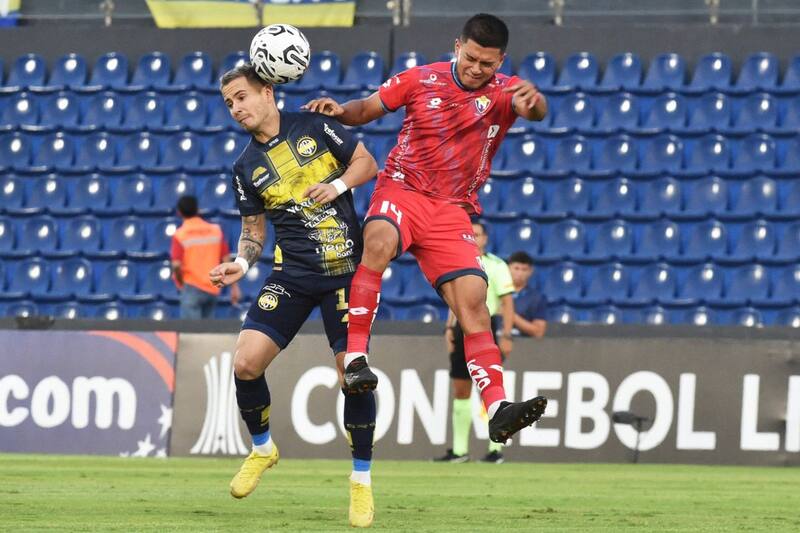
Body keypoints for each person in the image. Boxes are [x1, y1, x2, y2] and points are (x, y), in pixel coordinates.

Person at [304, 12, 549, 444]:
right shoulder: (420, 79)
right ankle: (356, 358)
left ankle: (497, 408)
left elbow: (537, 111)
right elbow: (367, 108)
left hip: (452, 210)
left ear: (501, 61)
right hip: (402, 190)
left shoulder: (506, 91)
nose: (477, 69)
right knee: (376, 243)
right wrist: (339, 110)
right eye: (471, 58)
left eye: (487, 64)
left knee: (474, 303)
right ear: (458, 46)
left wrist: (535, 103)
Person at [208, 63, 379, 528]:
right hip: (292, 274)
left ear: (267, 92)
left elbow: (368, 163)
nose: (236, 108)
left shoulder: (316, 125)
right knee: (244, 362)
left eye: (241, 97)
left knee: (353, 375)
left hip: (346, 272)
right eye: (229, 103)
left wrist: (339, 184)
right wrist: (241, 264)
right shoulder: (245, 168)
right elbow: (253, 232)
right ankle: (263, 448)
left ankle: (361, 482)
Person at [435, 220, 515, 464]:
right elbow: (455, 299)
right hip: (461, 325)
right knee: (461, 389)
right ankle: (460, 451)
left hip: (486, 326)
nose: (474, 237)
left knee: (488, 388)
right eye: (470, 233)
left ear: (485, 238)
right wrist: (449, 327)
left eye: (477, 234)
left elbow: (507, 301)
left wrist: (507, 334)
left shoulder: (497, 265)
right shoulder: (459, 262)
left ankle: (495, 449)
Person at [170, 195, 240, 319]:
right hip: (212, 287)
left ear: (179, 212)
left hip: (191, 287)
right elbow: (226, 259)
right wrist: (234, 287)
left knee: (191, 333)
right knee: (207, 335)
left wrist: (181, 282)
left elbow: (176, 265)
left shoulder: (180, 235)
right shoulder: (215, 230)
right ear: (197, 209)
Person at [507, 251, 548, 338]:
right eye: (516, 268)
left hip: (523, 344)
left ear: (530, 271)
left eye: (524, 269)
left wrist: (509, 314)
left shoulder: (537, 298)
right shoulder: (495, 292)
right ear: (508, 268)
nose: (520, 273)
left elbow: (539, 332)